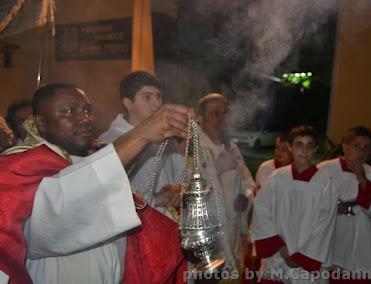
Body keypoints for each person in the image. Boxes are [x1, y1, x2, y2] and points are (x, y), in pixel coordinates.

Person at [0, 83, 192, 284]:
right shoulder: (22, 166)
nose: (84, 118)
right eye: (69, 111)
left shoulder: (98, 154)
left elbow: (114, 214)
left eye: (87, 110)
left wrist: (156, 202)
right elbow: (59, 212)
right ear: (41, 123)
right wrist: (141, 134)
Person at [252, 125, 337, 284]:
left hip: (307, 259)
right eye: (299, 144)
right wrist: (281, 248)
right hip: (278, 254)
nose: (304, 150)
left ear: (315, 149)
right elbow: (261, 209)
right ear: (290, 147)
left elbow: (325, 224)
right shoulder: (277, 178)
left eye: (309, 145)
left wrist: (302, 256)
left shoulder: (325, 183)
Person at [318, 126, 371, 283]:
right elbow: (310, 202)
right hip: (332, 232)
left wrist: (362, 178)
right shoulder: (324, 169)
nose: (361, 152)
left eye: (366, 148)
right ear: (345, 146)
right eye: (356, 146)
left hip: (361, 235)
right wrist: (330, 207)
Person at [98, 71, 183, 216]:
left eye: (158, 97)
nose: (157, 103)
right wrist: (153, 199)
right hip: (134, 230)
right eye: (147, 97)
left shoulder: (168, 140)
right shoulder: (109, 142)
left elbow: (182, 176)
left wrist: (179, 188)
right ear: (128, 103)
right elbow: (105, 196)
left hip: (169, 225)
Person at [197, 92, 256, 272]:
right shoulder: (192, 147)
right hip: (207, 237)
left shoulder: (233, 148)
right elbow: (185, 191)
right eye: (216, 114)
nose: (222, 119)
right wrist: (216, 168)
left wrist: (245, 197)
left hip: (233, 234)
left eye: (225, 113)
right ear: (201, 118)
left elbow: (248, 182)